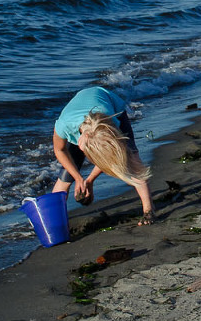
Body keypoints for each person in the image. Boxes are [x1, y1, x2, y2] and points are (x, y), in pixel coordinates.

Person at [51, 85, 155, 225]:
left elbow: (111, 158)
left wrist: (90, 180)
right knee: (65, 177)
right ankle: (54, 222)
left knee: (132, 162)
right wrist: (78, 178)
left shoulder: (111, 123)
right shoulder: (64, 126)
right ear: (79, 142)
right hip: (81, 107)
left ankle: (149, 210)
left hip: (113, 109)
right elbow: (59, 150)